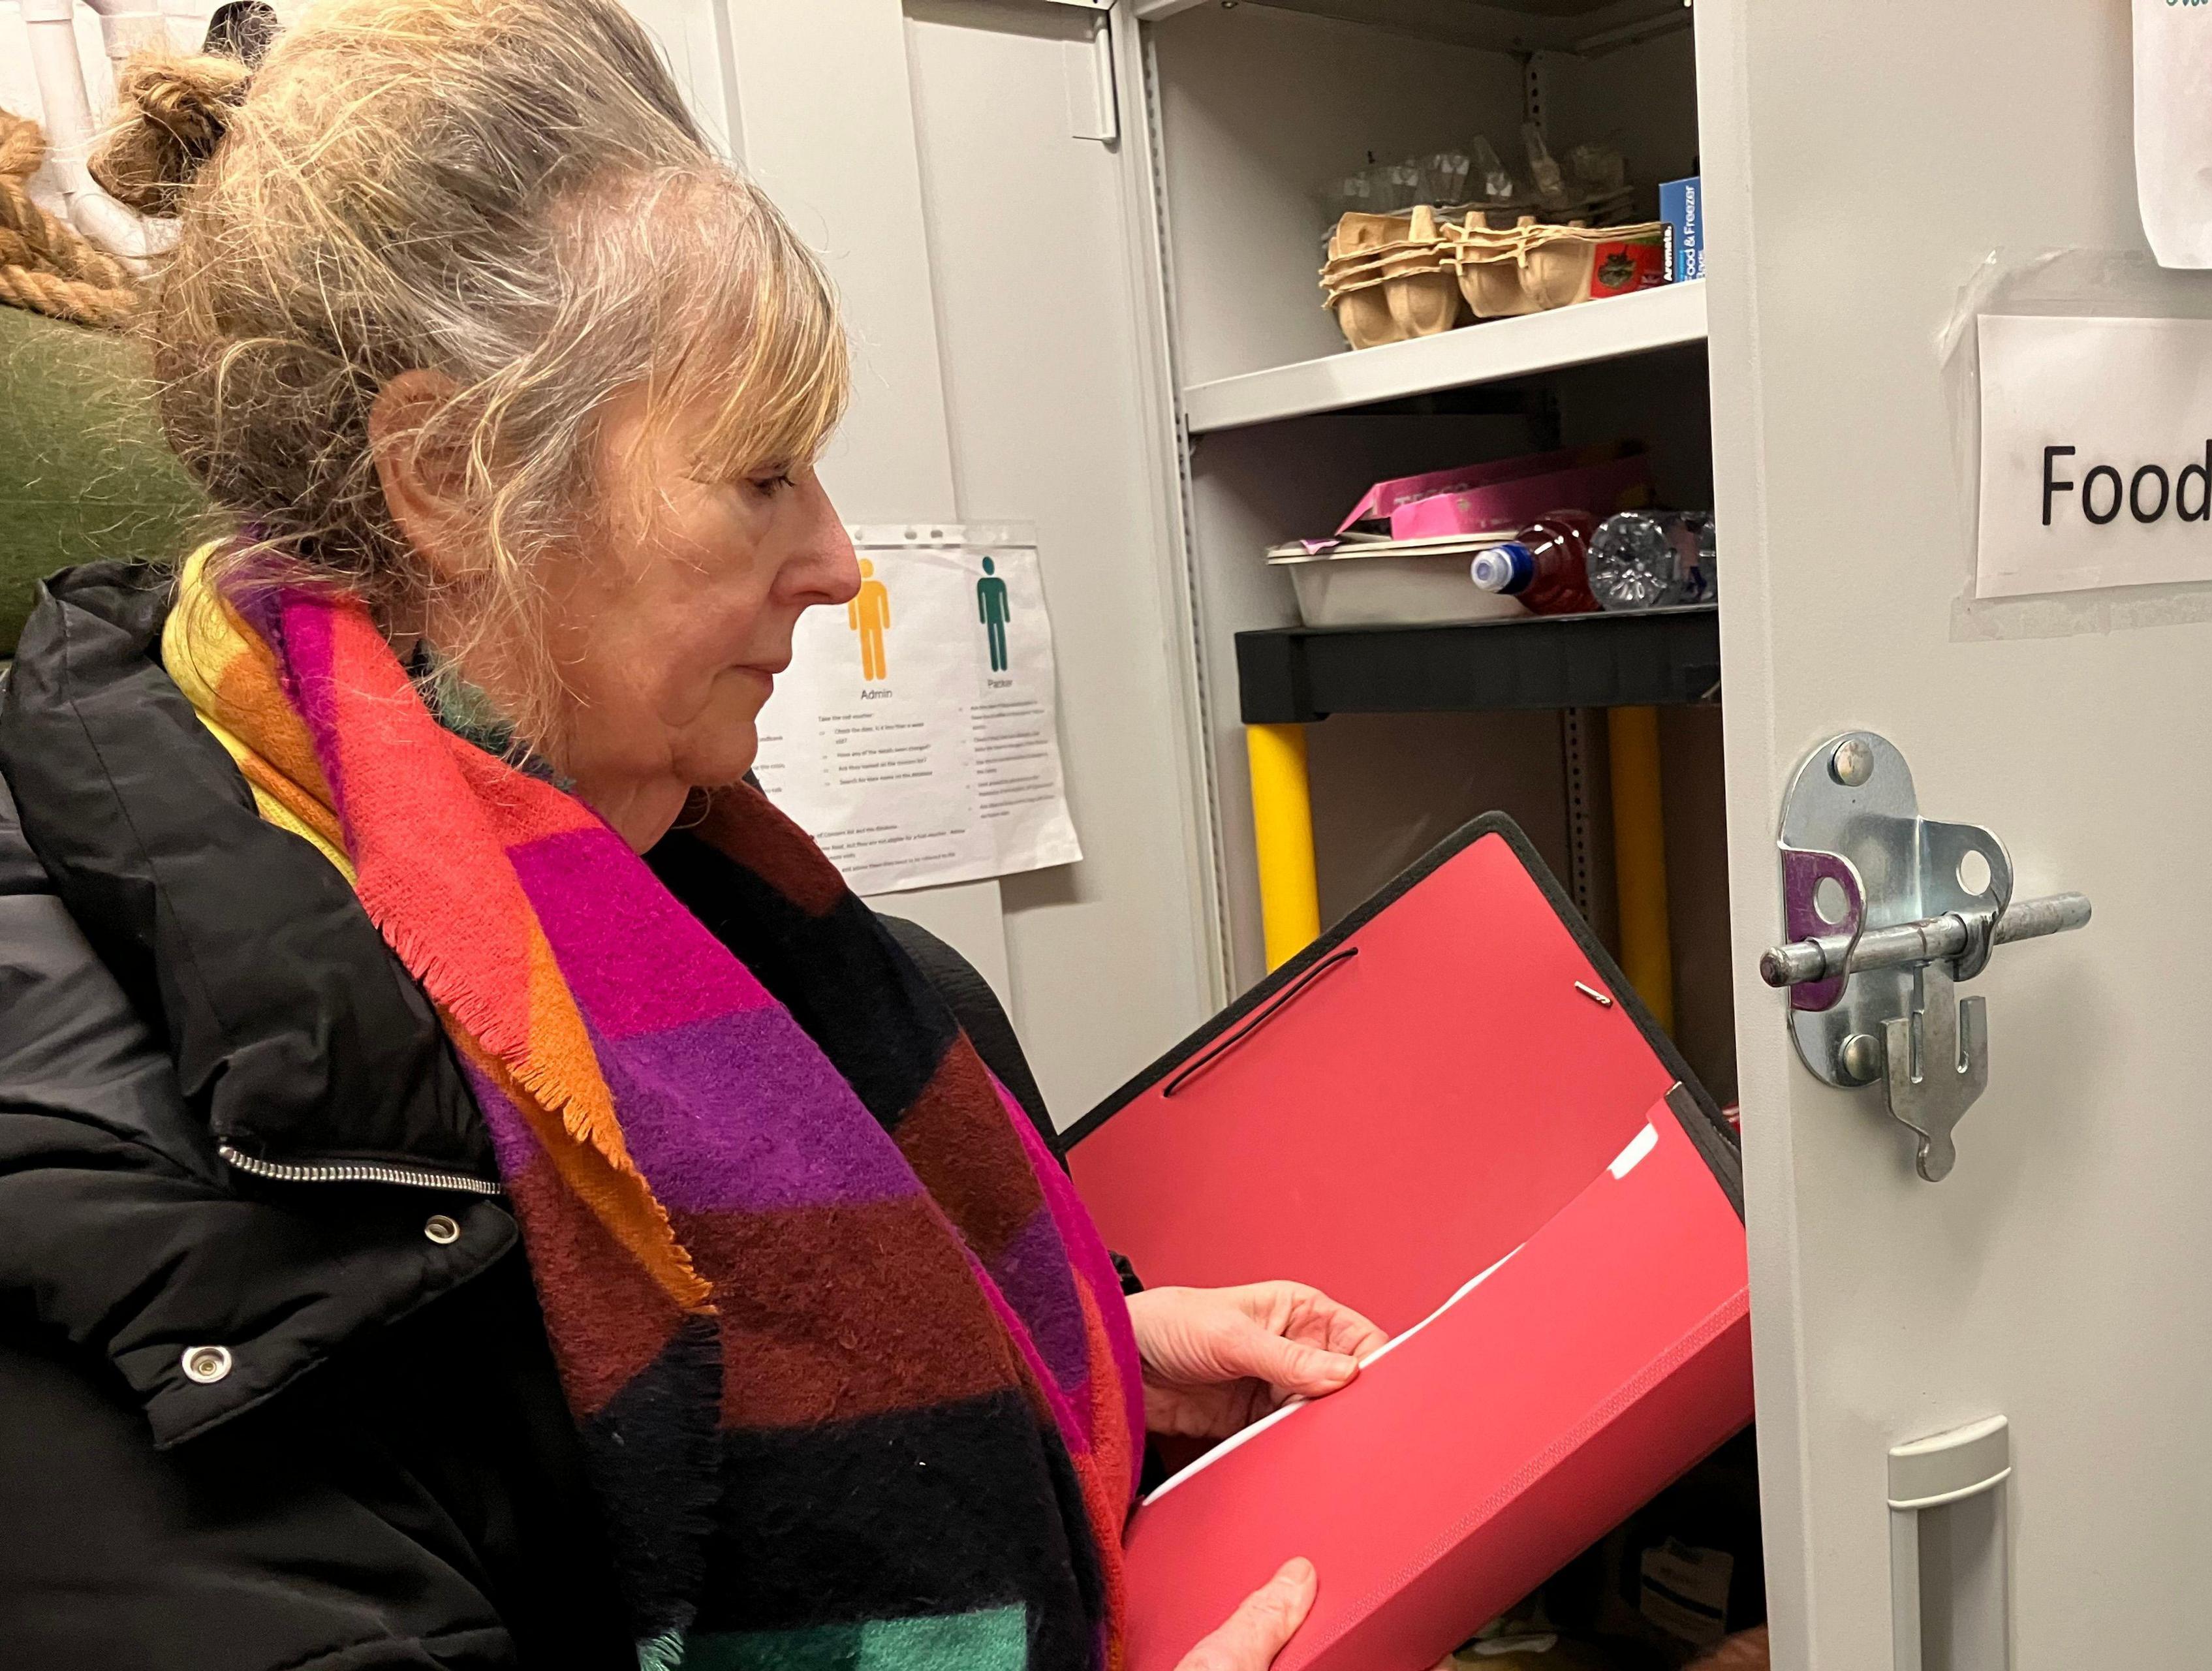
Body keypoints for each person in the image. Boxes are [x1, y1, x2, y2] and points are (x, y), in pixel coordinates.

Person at [0, 2, 1388, 1667]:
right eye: (755, 475)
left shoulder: (726, 903)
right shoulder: (108, 1141)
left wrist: (1082, 1341)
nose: (841, 560)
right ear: (451, 474)